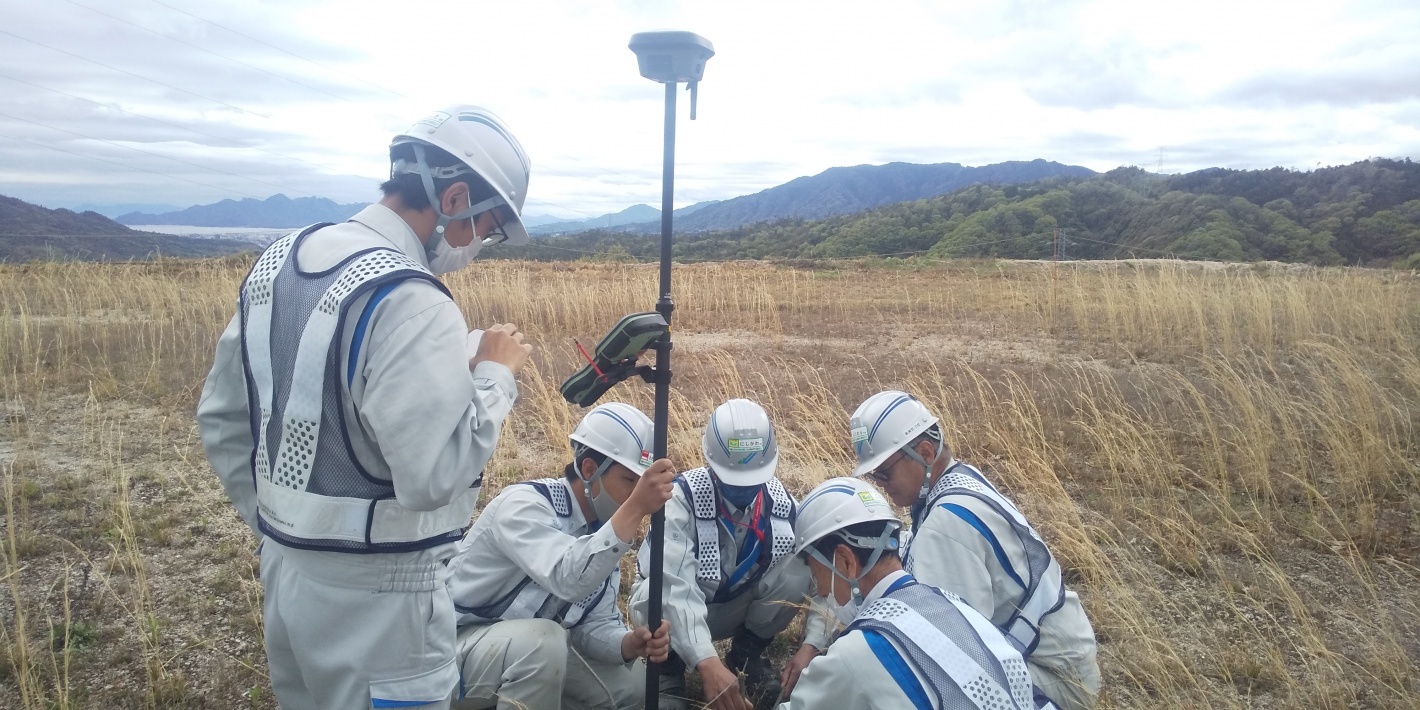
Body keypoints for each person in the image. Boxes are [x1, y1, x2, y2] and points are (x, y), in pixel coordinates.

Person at [197, 105, 533, 709]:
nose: (477, 244)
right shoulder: (413, 298)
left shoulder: (279, 262)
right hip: (386, 596)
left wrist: (283, 526)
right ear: (454, 197)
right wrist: (495, 375)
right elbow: (434, 476)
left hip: (285, 573)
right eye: (485, 227)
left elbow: (223, 417)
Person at [821, 390, 1101, 709]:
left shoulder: (945, 526)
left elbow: (943, 643)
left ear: (925, 453)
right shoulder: (960, 482)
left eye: (884, 472)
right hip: (1061, 662)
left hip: (1056, 684)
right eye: (873, 475)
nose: (880, 483)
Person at [445, 402, 677, 709]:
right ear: (590, 469)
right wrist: (635, 508)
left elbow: (592, 627)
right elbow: (568, 578)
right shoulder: (523, 505)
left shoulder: (601, 533)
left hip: (524, 655)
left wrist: (629, 643)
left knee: (633, 688)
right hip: (448, 655)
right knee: (544, 641)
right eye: (630, 482)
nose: (638, 495)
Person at [777, 477, 1053, 709]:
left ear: (846, 560)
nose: (821, 589)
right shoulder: (952, 602)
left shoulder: (856, 652)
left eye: (816, 572)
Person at [629, 399, 811, 710]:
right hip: (675, 613)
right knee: (653, 591)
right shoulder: (681, 500)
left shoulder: (782, 507)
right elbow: (675, 585)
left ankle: (745, 657)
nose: (742, 490)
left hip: (730, 610)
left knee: (799, 570)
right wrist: (705, 661)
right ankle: (667, 670)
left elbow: (823, 575)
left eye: (753, 480)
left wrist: (811, 644)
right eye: (732, 479)